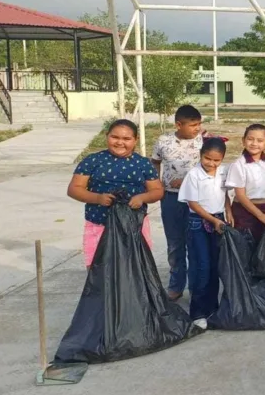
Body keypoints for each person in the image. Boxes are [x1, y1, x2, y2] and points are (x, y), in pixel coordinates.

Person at [67, 119, 163, 267]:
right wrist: (98, 198)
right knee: (98, 269)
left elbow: (157, 191)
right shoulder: (92, 161)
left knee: (136, 269)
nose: (120, 142)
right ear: (107, 136)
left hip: (134, 226)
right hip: (99, 224)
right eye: (115, 137)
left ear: (135, 140)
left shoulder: (143, 163)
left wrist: (142, 197)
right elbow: (74, 189)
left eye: (126, 139)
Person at [177, 137, 233, 327]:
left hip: (218, 219)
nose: (211, 163)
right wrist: (214, 220)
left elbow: (225, 194)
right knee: (202, 267)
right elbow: (193, 203)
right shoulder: (194, 175)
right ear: (201, 155)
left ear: (222, 159)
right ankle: (198, 313)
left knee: (215, 267)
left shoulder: (223, 172)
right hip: (198, 222)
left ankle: (213, 308)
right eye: (207, 158)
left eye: (216, 160)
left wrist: (228, 212)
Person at [151, 104, 205, 301]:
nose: (196, 128)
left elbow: (210, 166)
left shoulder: (204, 140)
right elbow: (155, 162)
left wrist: (186, 181)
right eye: (192, 125)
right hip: (171, 198)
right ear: (178, 124)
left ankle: (197, 286)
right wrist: (156, 184)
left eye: (199, 124)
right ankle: (176, 285)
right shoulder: (163, 141)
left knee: (196, 243)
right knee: (175, 243)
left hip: (197, 198)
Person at [225, 123, 265, 243]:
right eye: (250, 139)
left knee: (264, 254)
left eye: (260, 140)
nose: (254, 143)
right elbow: (240, 195)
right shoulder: (238, 165)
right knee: (245, 252)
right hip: (243, 213)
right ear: (243, 141)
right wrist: (260, 216)